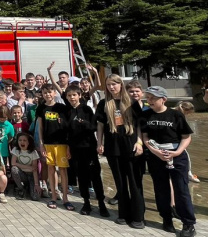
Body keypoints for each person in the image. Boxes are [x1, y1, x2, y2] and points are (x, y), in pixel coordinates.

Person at [140, 86, 196, 237]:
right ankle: (166, 218)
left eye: (153, 98)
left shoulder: (176, 115)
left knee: (181, 189)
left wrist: (177, 152)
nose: (149, 100)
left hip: (176, 156)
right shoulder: (145, 115)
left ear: (163, 99)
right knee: (161, 189)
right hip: (155, 156)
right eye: (148, 97)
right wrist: (155, 151)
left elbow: (186, 136)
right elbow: (145, 137)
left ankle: (188, 223)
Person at [95, 74, 145, 229]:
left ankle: (138, 217)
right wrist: (100, 143)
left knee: (135, 182)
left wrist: (139, 142)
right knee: (120, 183)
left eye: (114, 84)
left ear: (121, 85)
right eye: (109, 85)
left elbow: (140, 125)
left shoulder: (131, 102)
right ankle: (123, 214)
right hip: (113, 147)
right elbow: (101, 125)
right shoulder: (104, 103)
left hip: (131, 146)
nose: (111, 87)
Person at [65, 86, 108, 217]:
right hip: (75, 149)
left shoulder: (86, 109)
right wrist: (68, 148)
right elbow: (67, 132)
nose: (72, 98)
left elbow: (94, 126)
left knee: (95, 175)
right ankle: (86, 202)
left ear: (79, 95)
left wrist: (83, 123)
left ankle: (101, 203)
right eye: (69, 95)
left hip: (88, 147)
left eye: (74, 95)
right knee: (82, 176)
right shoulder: (68, 112)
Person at [36, 85, 73, 211]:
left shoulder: (62, 108)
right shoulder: (41, 108)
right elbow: (40, 128)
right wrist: (41, 144)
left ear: (54, 93)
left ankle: (65, 198)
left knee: (63, 170)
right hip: (48, 144)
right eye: (45, 92)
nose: (48, 94)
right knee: (51, 169)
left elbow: (68, 128)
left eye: (50, 92)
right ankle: (53, 196)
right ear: (42, 94)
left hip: (62, 143)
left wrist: (68, 145)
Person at [10, 133, 39, 200]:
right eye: (20, 140)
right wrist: (28, 167)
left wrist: (36, 184)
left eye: (24, 140)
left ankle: (29, 187)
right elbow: (13, 163)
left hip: (31, 175)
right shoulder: (16, 150)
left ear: (29, 142)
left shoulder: (33, 152)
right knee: (14, 169)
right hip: (22, 174)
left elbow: (34, 169)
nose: (22, 142)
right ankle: (21, 189)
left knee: (36, 197)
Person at [177, 102, 200, 183]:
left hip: (176, 140)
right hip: (176, 140)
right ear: (185, 110)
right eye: (188, 113)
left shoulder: (178, 113)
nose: (188, 114)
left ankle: (187, 174)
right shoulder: (179, 115)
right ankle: (189, 175)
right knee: (186, 158)